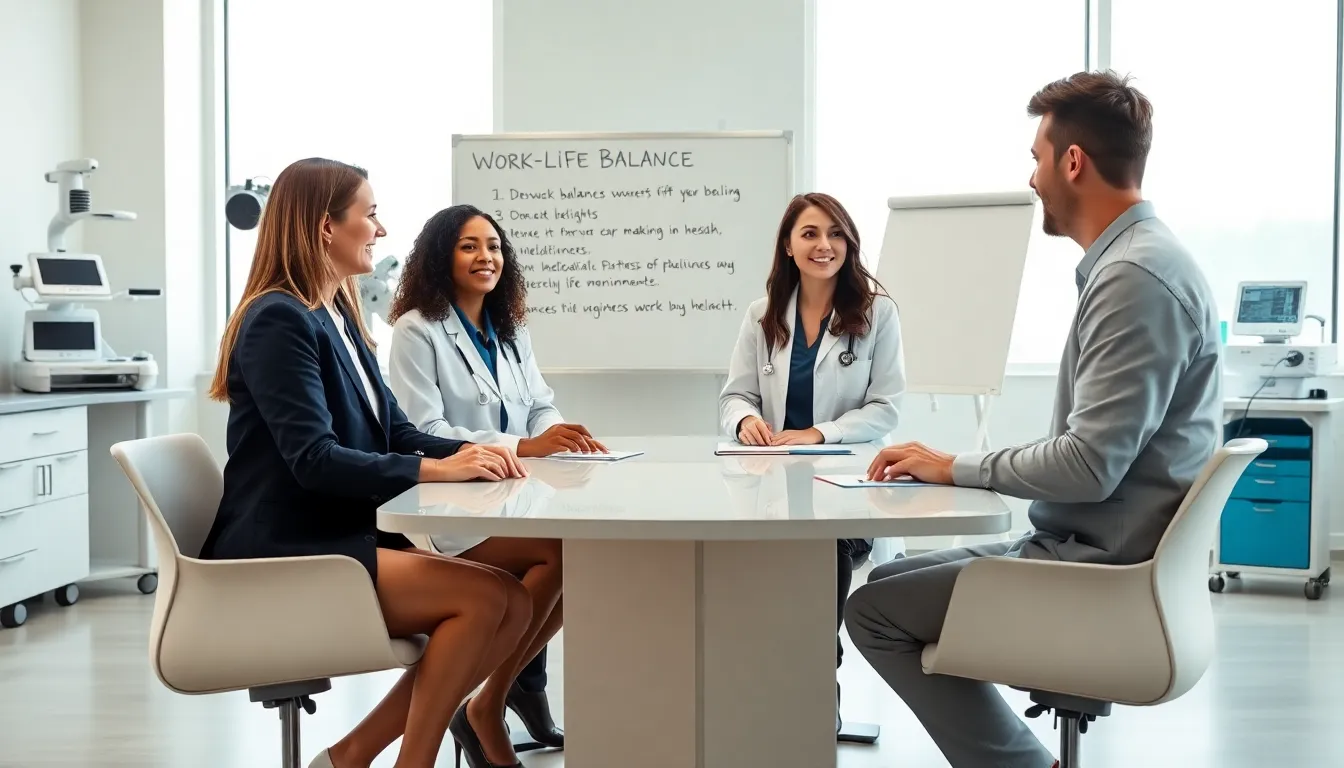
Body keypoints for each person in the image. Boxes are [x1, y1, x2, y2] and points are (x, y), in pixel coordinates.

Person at [844, 71, 1223, 768]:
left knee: (871, 614)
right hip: (1090, 548)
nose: (1032, 178)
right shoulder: (1134, 264)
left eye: (1036, 157)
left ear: (1072, 161)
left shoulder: (1136, 277)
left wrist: (955, 466)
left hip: (1100, 575)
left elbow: (1088, 465)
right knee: (882, 587)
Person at [202, 157, 537, 768]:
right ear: (326, 227)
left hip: (334, 533)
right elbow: (315, 460)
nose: (380, 231)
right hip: (289, 548)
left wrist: (471, 453)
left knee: (516, 596)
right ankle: (408, 760)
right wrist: (437, 471)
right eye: (370, 214)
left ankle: (353, 756)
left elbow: (397, 432)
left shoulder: (339, 315)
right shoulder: (278, 318)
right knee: (487, 600)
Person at [386, 204, 590, 751]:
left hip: (510, 496)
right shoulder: (416, 330)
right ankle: (486, 704)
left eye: (494, 246)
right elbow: (421, 428)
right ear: (440, 256)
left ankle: (487, 701)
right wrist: (523, 445)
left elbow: (538, 404)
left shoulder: (510, 326)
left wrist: (561, 433)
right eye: (469, 246)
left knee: (574, 555)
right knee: (560, 553)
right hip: (448, 507)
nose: (486, 257)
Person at [717, 191, 906, 730]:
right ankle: (779, 688)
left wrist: (820, 433)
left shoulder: (876, 313)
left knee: (825, 556)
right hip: (772, 481)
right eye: (810, 234)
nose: (824, 245)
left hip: (842, 480)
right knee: (771, 584)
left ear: (848, 243)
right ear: (788, 245)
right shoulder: (763, 315)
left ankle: (823, 680)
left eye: (835, 234)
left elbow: (885, 408)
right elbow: (735, 395)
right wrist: (744, 422)